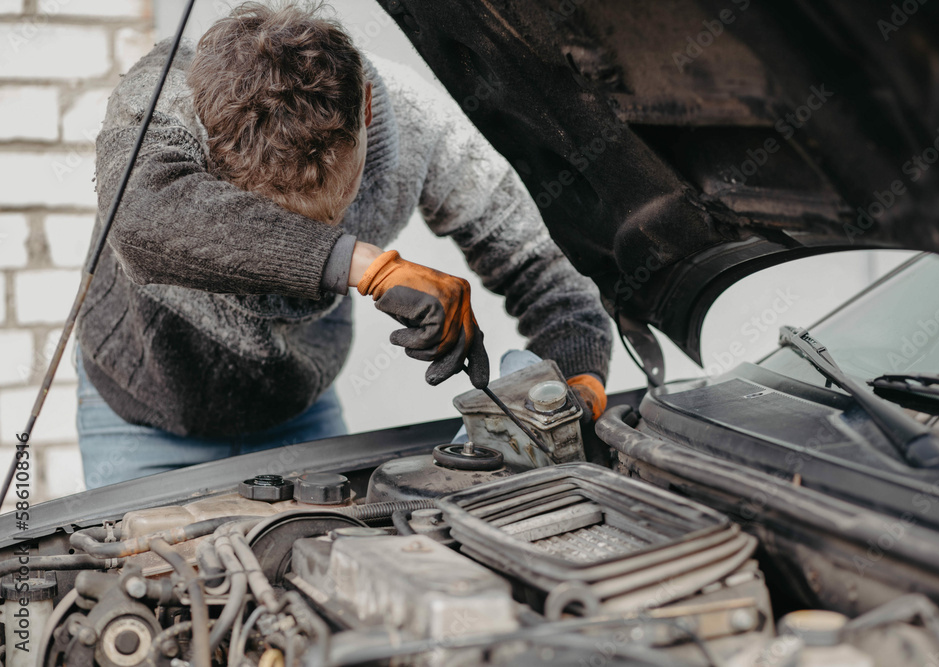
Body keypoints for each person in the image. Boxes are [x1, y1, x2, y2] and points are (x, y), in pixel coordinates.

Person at [75, 3, 612, 488]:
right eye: (277, 211)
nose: (323, 222)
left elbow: (550, 272)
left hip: (296, 408)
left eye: (332, 198)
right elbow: (139, 217)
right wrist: (367, 266)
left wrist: (576, 381)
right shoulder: (165, 92)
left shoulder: (425, 126)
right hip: (141, 407)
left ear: (368, 110)